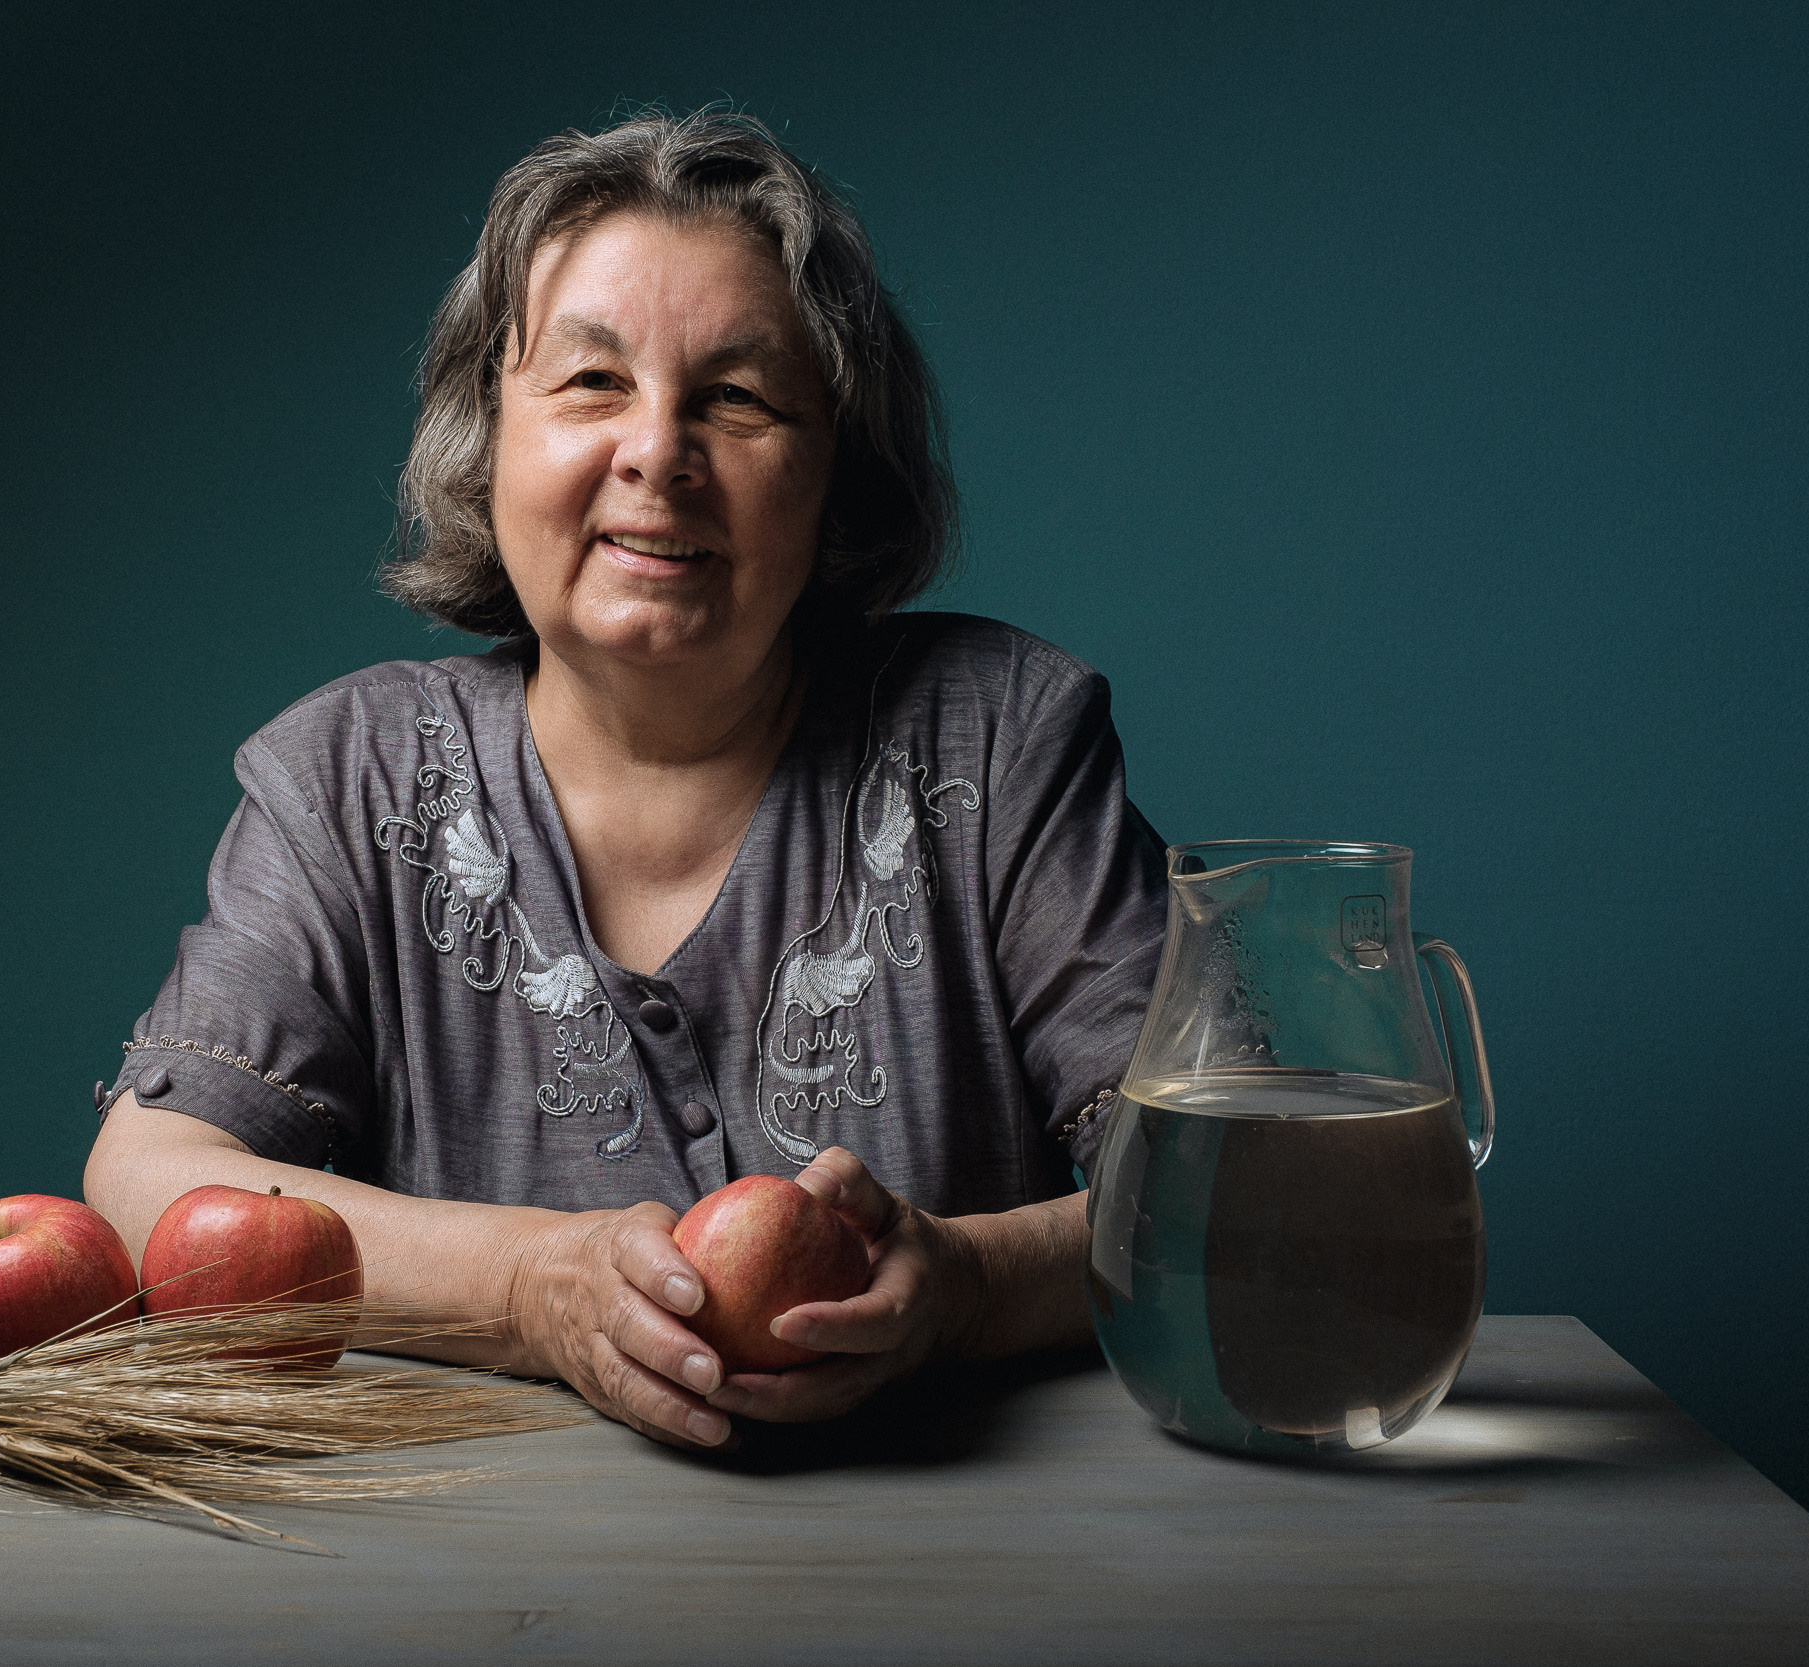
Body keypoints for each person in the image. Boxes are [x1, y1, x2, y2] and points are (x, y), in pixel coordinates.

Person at [84, 109, 1166, 1451]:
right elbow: (149, 1182)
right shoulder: (346, 777)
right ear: (490, 442)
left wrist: (971, 1287)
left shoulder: (1000, 738)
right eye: (593, 384)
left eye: (736, 396)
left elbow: (1216, 1187)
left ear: (836, 473)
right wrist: (525, 1293)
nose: (658, 450)